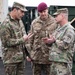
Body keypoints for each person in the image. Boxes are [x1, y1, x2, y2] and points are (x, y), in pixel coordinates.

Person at [0, 2, 33, 75]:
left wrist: (28, 54)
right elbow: (6, 42)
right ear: (15, 10)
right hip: (11, 60)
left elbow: (24, 36)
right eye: (22, 11)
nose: (23, 14)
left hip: (21, 58)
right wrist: (22, 40)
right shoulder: (6, 24)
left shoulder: (20, 21)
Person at [26, 2, 57, 75]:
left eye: (44, 11)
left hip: (49, 57)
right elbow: (30, 39)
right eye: (40, 12)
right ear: (38, 12)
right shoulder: (35, 22)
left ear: (47, 10)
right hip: (37, 57)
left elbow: (57, 37)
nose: (43, 13)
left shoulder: (54, 22)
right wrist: (29, 54)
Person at [42, 8, 75, 75]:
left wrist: (54, 40)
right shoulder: (59, 29)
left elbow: (65, 45)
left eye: (56, 16)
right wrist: (49, 41)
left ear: (62, 16)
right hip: (55, 62)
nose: (55, 18)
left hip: (63, 64)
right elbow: (54, 42)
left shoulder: (69, 30)